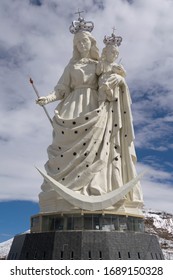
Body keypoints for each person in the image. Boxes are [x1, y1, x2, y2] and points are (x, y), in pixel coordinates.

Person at [36, 18, 143, 213]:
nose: (82, 45)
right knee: (62, 147)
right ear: (75, 46)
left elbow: (107, 81)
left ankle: (94, 188)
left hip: (94, 107)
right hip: (71, 106)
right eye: (78, 42)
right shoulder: (71, 67)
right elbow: (61, 89)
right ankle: (64, 192)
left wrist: (118, 79)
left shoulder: (98, 64)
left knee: (98, 148)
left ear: (91, 43)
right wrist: (48, 98)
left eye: (85, 41)